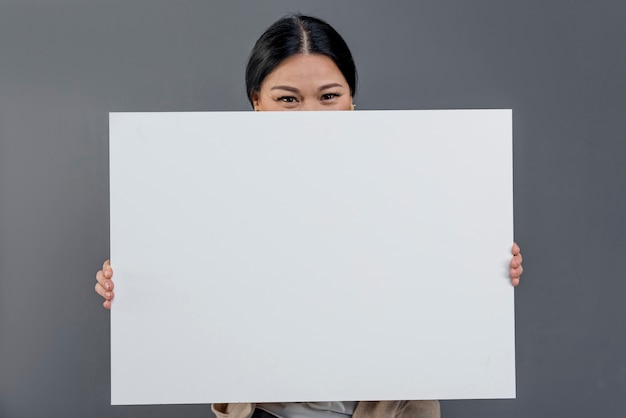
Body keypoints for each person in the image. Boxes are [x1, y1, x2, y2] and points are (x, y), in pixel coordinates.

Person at [95, 14, 524, 418]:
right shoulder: (208, 194)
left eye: (329, 97)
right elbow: (185, 291)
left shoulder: (414, 184)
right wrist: (136, 284)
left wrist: (487, 269)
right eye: (288, 99)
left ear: (351, 101)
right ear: (257, 102)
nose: (311, 116)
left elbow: (443, 282)